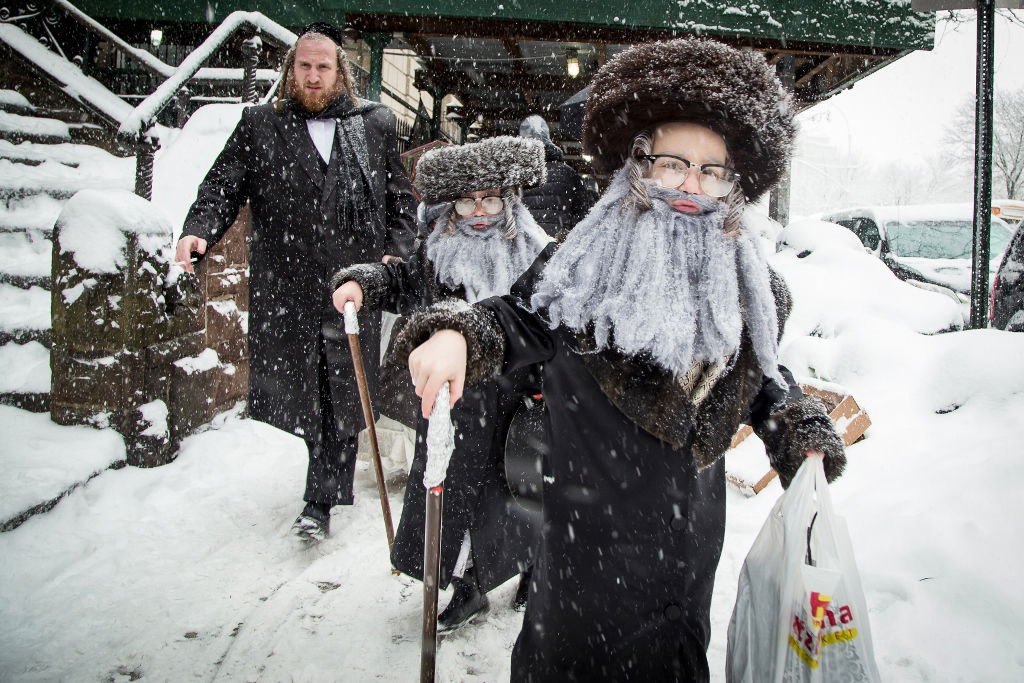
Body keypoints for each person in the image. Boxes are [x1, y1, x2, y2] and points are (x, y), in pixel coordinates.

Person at [392, 38, 849, 681]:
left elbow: (760, 380)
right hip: (587, 546)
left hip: (687, 550)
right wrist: (458, 335)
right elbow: (517, 318)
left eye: (712, 171)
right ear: (638, 165)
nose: (691, 185)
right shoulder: (581, 267)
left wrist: (793, 428)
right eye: (673, 163)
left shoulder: (746, 288)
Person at [174, 23, 417, 544]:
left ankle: (320, 498)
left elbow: (400, 200)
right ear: (290, 69)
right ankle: (323, 480)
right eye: (304, 65)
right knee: (308, 392)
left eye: (322, 66)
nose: (312, 75)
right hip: (288, 284)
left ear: (339, 72)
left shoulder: (374, 124)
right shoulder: (260, 124)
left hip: (352, 285)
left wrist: (396, 253)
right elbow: (222, 186)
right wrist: (199, 230)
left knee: (341, 391)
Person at [329, 135, 552, 632]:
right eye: (467, 201)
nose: (479, 212)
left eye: (491, 199)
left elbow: (546, 328)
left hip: (514, 404)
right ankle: (467, 583)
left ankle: (526, 568)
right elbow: (400, 281)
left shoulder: (537, 254)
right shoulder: (437, 253)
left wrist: (543, 387)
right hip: (452, 404)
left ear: (510, 200)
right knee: (450, 497)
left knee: (517, 493)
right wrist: (363, 281)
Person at [518, 114, 595, 240]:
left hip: (527, 242)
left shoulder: (517, 176)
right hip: (558, 243)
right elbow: (583, 214)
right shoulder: (567, 173)